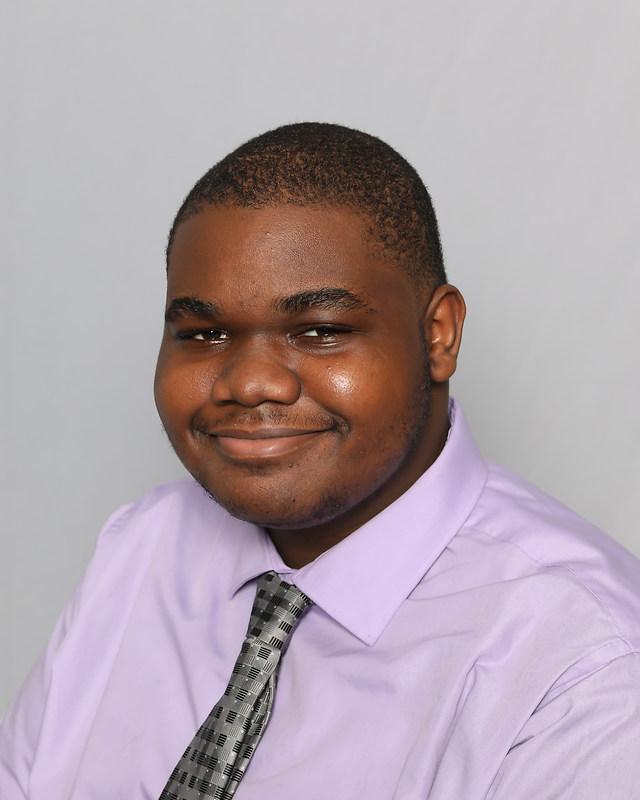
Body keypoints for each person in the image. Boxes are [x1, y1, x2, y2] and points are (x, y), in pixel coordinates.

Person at [1, 122, 639, 799]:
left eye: (320, 331)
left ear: (439, 336)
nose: (249, 382)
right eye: (204, 333)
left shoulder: (585, 667)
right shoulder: (140, 549)